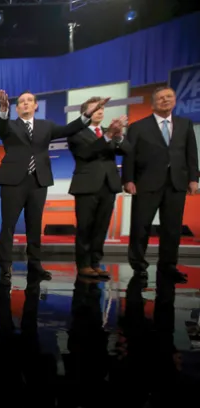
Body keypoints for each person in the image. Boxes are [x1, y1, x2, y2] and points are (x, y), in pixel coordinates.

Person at [0, 89, 109, 281]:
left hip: (38, 180)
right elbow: (1, 127)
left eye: (30, 100)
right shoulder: (10, 125)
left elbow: (70, 129)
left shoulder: (46, 126)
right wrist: (3, 109)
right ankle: (5, 266)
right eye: (22, 101)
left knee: (34, 224)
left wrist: (88, 113)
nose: (25, 103)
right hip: (13, 181)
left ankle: (35, 266)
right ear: (16, 107)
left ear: (36, 105)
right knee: (8, 226)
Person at [122, 86, 198, 283]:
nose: (166, 100)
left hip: (176, 183)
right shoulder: (138, 127)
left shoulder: (185, 124)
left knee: (172, 228)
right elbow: (129, 155)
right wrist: (128, 179)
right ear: (153, 103)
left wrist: (193, 179)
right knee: (141, 226)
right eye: (161, 98)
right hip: (146, 183)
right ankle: (139, 266)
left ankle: (168, 266)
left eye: (169, 97)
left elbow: (191, 154)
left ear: (175, 100)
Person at [67, 97, 130, 279]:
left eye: (102, 109)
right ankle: (84, 264)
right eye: (95, 109)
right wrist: (109, 135)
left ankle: (95, 263)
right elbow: (87, 153)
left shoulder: (107, 132)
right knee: (85, 227)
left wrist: (117, 135)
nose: (100, 111)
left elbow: (127, 150)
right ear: (85, 113)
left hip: (108, 185)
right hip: (86, 186)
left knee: (101, 227)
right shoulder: (76, 132)